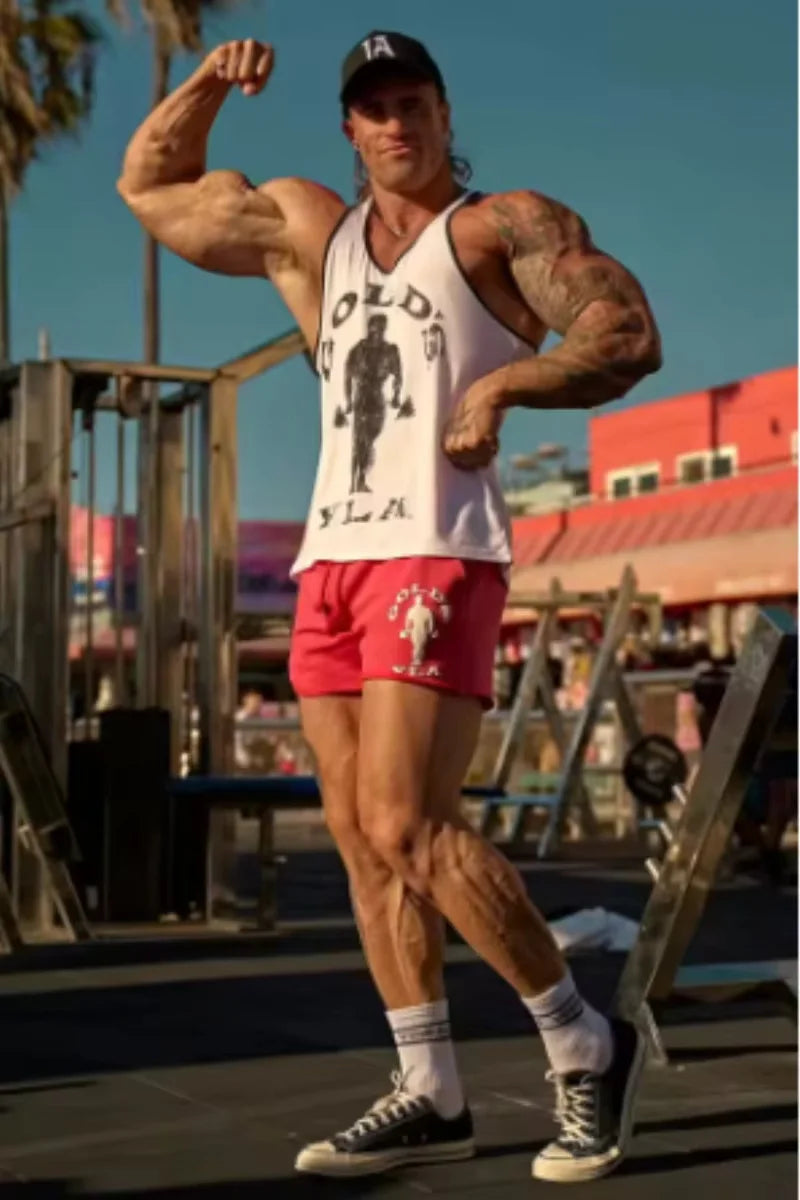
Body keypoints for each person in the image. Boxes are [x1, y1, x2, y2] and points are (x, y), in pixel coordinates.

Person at [118, 29, 661, 1184]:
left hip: (435, 549)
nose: (396, 122)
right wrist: (207, 82)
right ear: (350, 129)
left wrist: (507, 382)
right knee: (367, 846)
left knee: (411, 825)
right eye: (375, 108)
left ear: (444, 112)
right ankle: (429, 1087)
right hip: (333, 560)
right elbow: (151, 188)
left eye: (413, 101)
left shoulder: (497, 227)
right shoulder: (308, 233)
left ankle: (584, 1043)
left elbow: (622, 333)